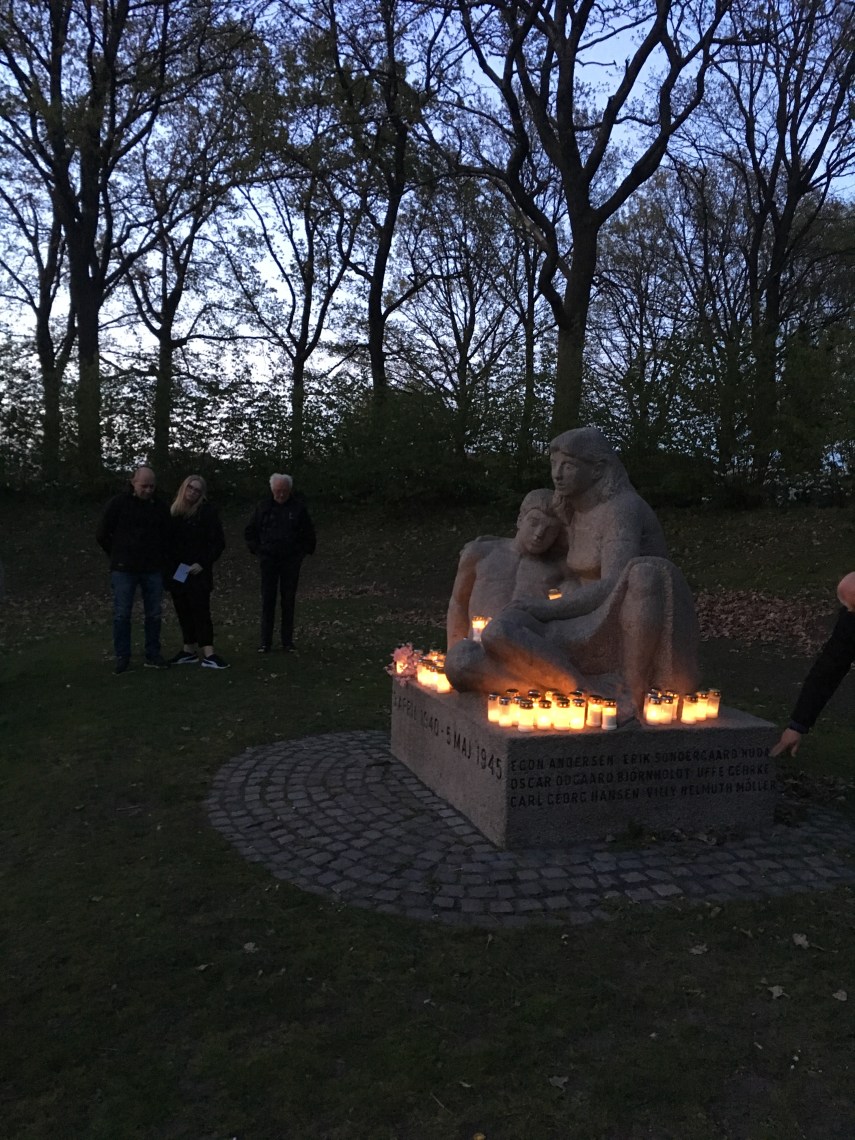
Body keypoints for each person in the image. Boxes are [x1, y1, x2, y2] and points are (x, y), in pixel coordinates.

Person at [445, 427, 699, 718]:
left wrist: (545, 608)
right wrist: (491, 548)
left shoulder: (621, 510)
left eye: (569, 465)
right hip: (575, 615)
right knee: (489, 638)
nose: (557, 474)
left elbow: (614, 585)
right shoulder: (570, 511)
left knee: (643, 573)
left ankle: (622, 690)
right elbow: (535, 541)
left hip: (611, 621)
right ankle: (577, 689)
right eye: (554, 464)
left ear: (597, 469)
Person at [446, 489, 565, 653]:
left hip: (523, 657)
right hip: (476, 652)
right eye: (534, 522)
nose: (539, 534)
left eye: (550, 529)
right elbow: (458, 603)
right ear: (520, 520)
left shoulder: (557, 570)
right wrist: (454, 650)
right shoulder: (481, 554)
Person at [96, 465, 171, 674]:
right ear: (133, 483)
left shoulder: (159, 507)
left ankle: (153, 653)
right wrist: (117, 554)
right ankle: (122, 656)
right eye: (144, 486)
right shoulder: (118, 504)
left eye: (151, 486)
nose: (148, 490)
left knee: (154, 613)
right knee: (122, 614)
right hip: (124, 568)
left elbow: (168, 535)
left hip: (152, 568)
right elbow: (102, 533)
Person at [771, 572, 855, 757]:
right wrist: (797, 725)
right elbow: (828, 670)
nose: (850, 613)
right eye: (850, 608)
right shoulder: (851, 621)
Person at [244, 473, 316, 653]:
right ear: (272, 489)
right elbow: (250, 531)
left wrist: (301, 553)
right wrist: (258, 550)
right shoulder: (263, 507)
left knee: (288, 600)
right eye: (277, 490)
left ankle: (287, 641)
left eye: (284, 491)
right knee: (268, 600)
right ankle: (265, 642)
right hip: (268, 560)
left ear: (289, 490)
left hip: (290, 561)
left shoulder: (298, 508)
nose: (281, 494)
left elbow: (308, 534)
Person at [166, 474, 228, 669]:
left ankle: (209, 652)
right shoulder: (174, 512)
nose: (193, 492)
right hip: (179, 569)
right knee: (183, 608)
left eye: (197, 490)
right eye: (190, 488)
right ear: (184, 488)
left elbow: (218, 542)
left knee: (200, 609)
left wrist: (203, 562)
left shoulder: (207, 512)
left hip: (198, 570)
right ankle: (188, 649)